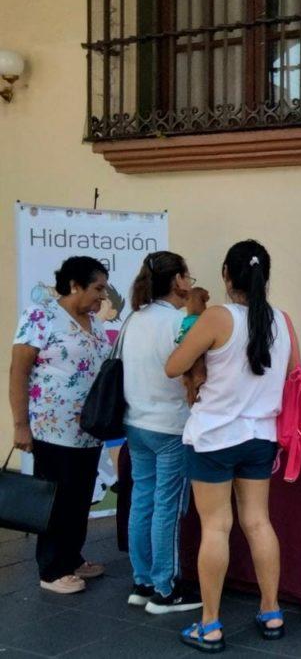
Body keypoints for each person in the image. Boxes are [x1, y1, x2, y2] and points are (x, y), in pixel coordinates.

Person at [166, 240, 295, 652]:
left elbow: (174, 366)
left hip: (214, 437)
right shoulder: (283, 321)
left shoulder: (217, 317)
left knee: (216, 527)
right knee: (258, 522)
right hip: (261, 436)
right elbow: (293, 374)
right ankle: (271, 610)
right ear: (266, 276)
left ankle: (210, 623)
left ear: (226, 274)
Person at [9, 256, 112, 594]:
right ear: (74, 285)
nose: (102, 296)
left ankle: (72, 557)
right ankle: (52, 570)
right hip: (52, 428)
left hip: (88, 430)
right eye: (97, 288)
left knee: (80, 498)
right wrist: (21, 424)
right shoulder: (40, 316)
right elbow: (19, 371)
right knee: (56, 499)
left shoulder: (94, 323)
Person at [122, 251, 202, 614]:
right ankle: (166, 589)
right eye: (187, 276)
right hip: (170, 425)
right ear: (177, 280)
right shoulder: (178, 322)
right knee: (167, 507)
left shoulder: (134, 319)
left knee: (142, 500)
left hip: (136, 422)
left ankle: (142, 582)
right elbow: (193, 373)